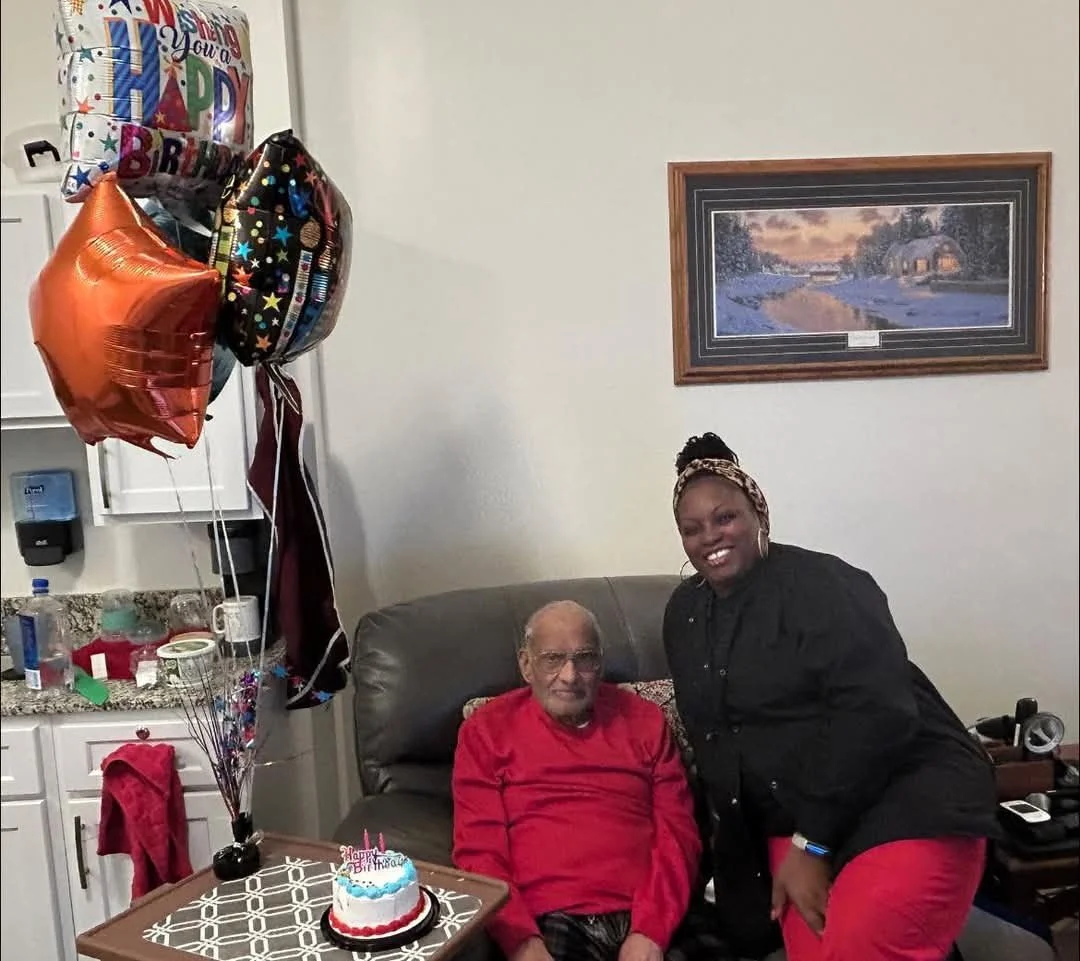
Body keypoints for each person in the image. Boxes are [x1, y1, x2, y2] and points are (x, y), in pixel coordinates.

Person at [664, 432, 999, 961]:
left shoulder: (823, 585)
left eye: (724, 518)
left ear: (758, 512)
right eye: (692, 528)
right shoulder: (683, 615)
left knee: (857, 948)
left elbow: (880, 712)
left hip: (903, 801)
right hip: (793, 825)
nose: (710, 536)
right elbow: (715, 746)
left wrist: (811, 842)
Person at [452, 600, 718, 961]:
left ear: (601, 662)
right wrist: (521, 943)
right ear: (526, 664)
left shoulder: (645, 719)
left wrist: (651, 933)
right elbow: (479, 852)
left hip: (653, 915)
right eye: (552, 659)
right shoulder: (485, 731)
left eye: (585, 658)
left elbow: (679, 833)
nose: (570, 675)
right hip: (551, 922)